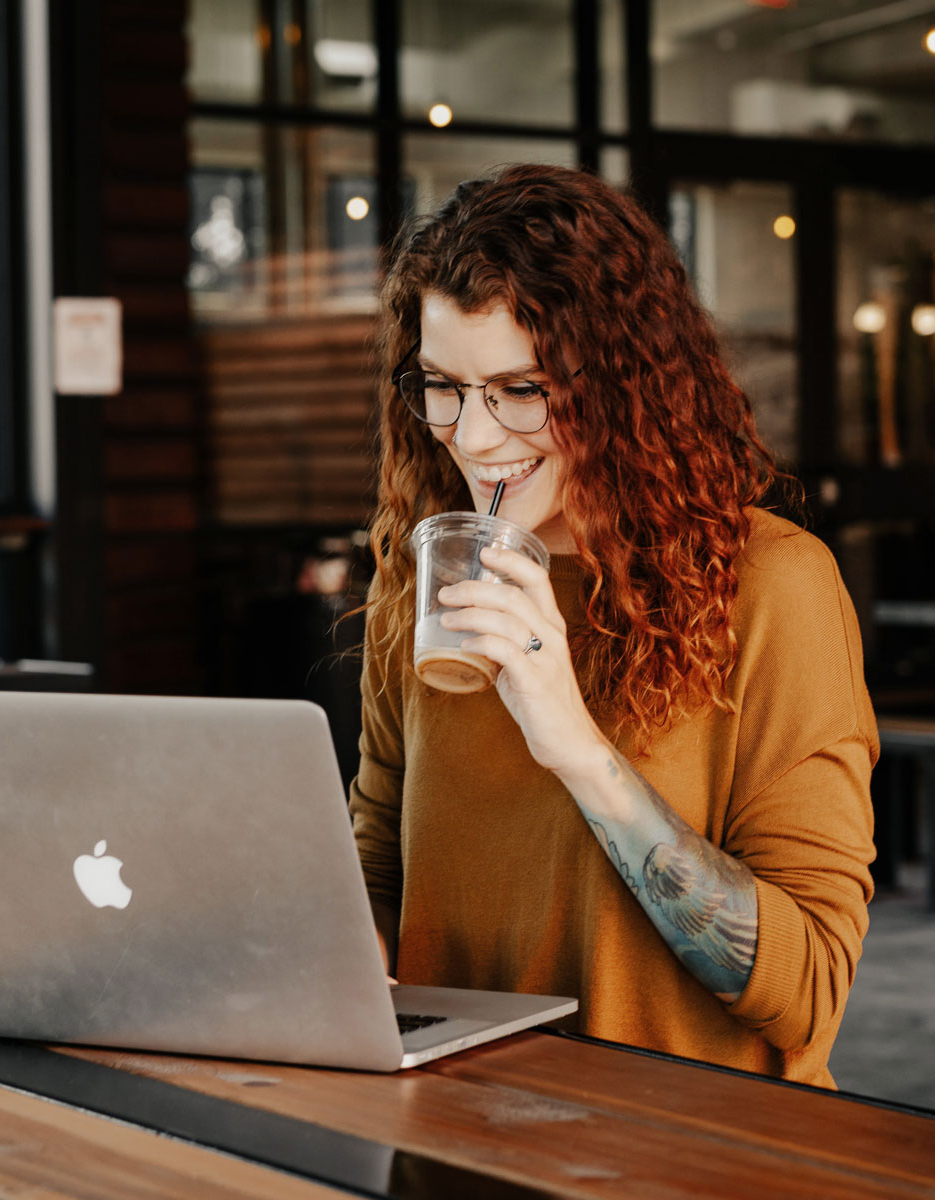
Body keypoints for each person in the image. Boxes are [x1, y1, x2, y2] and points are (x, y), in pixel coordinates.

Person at [349, 163, 877, 1088]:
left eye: (520, 389)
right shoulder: (423, 579)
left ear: (626, 387)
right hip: (460, 1127)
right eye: (443, 387)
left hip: (686, 1149)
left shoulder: (772, 587)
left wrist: (578, 748)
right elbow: (379, 864)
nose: (473, 437)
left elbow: (808, 990)